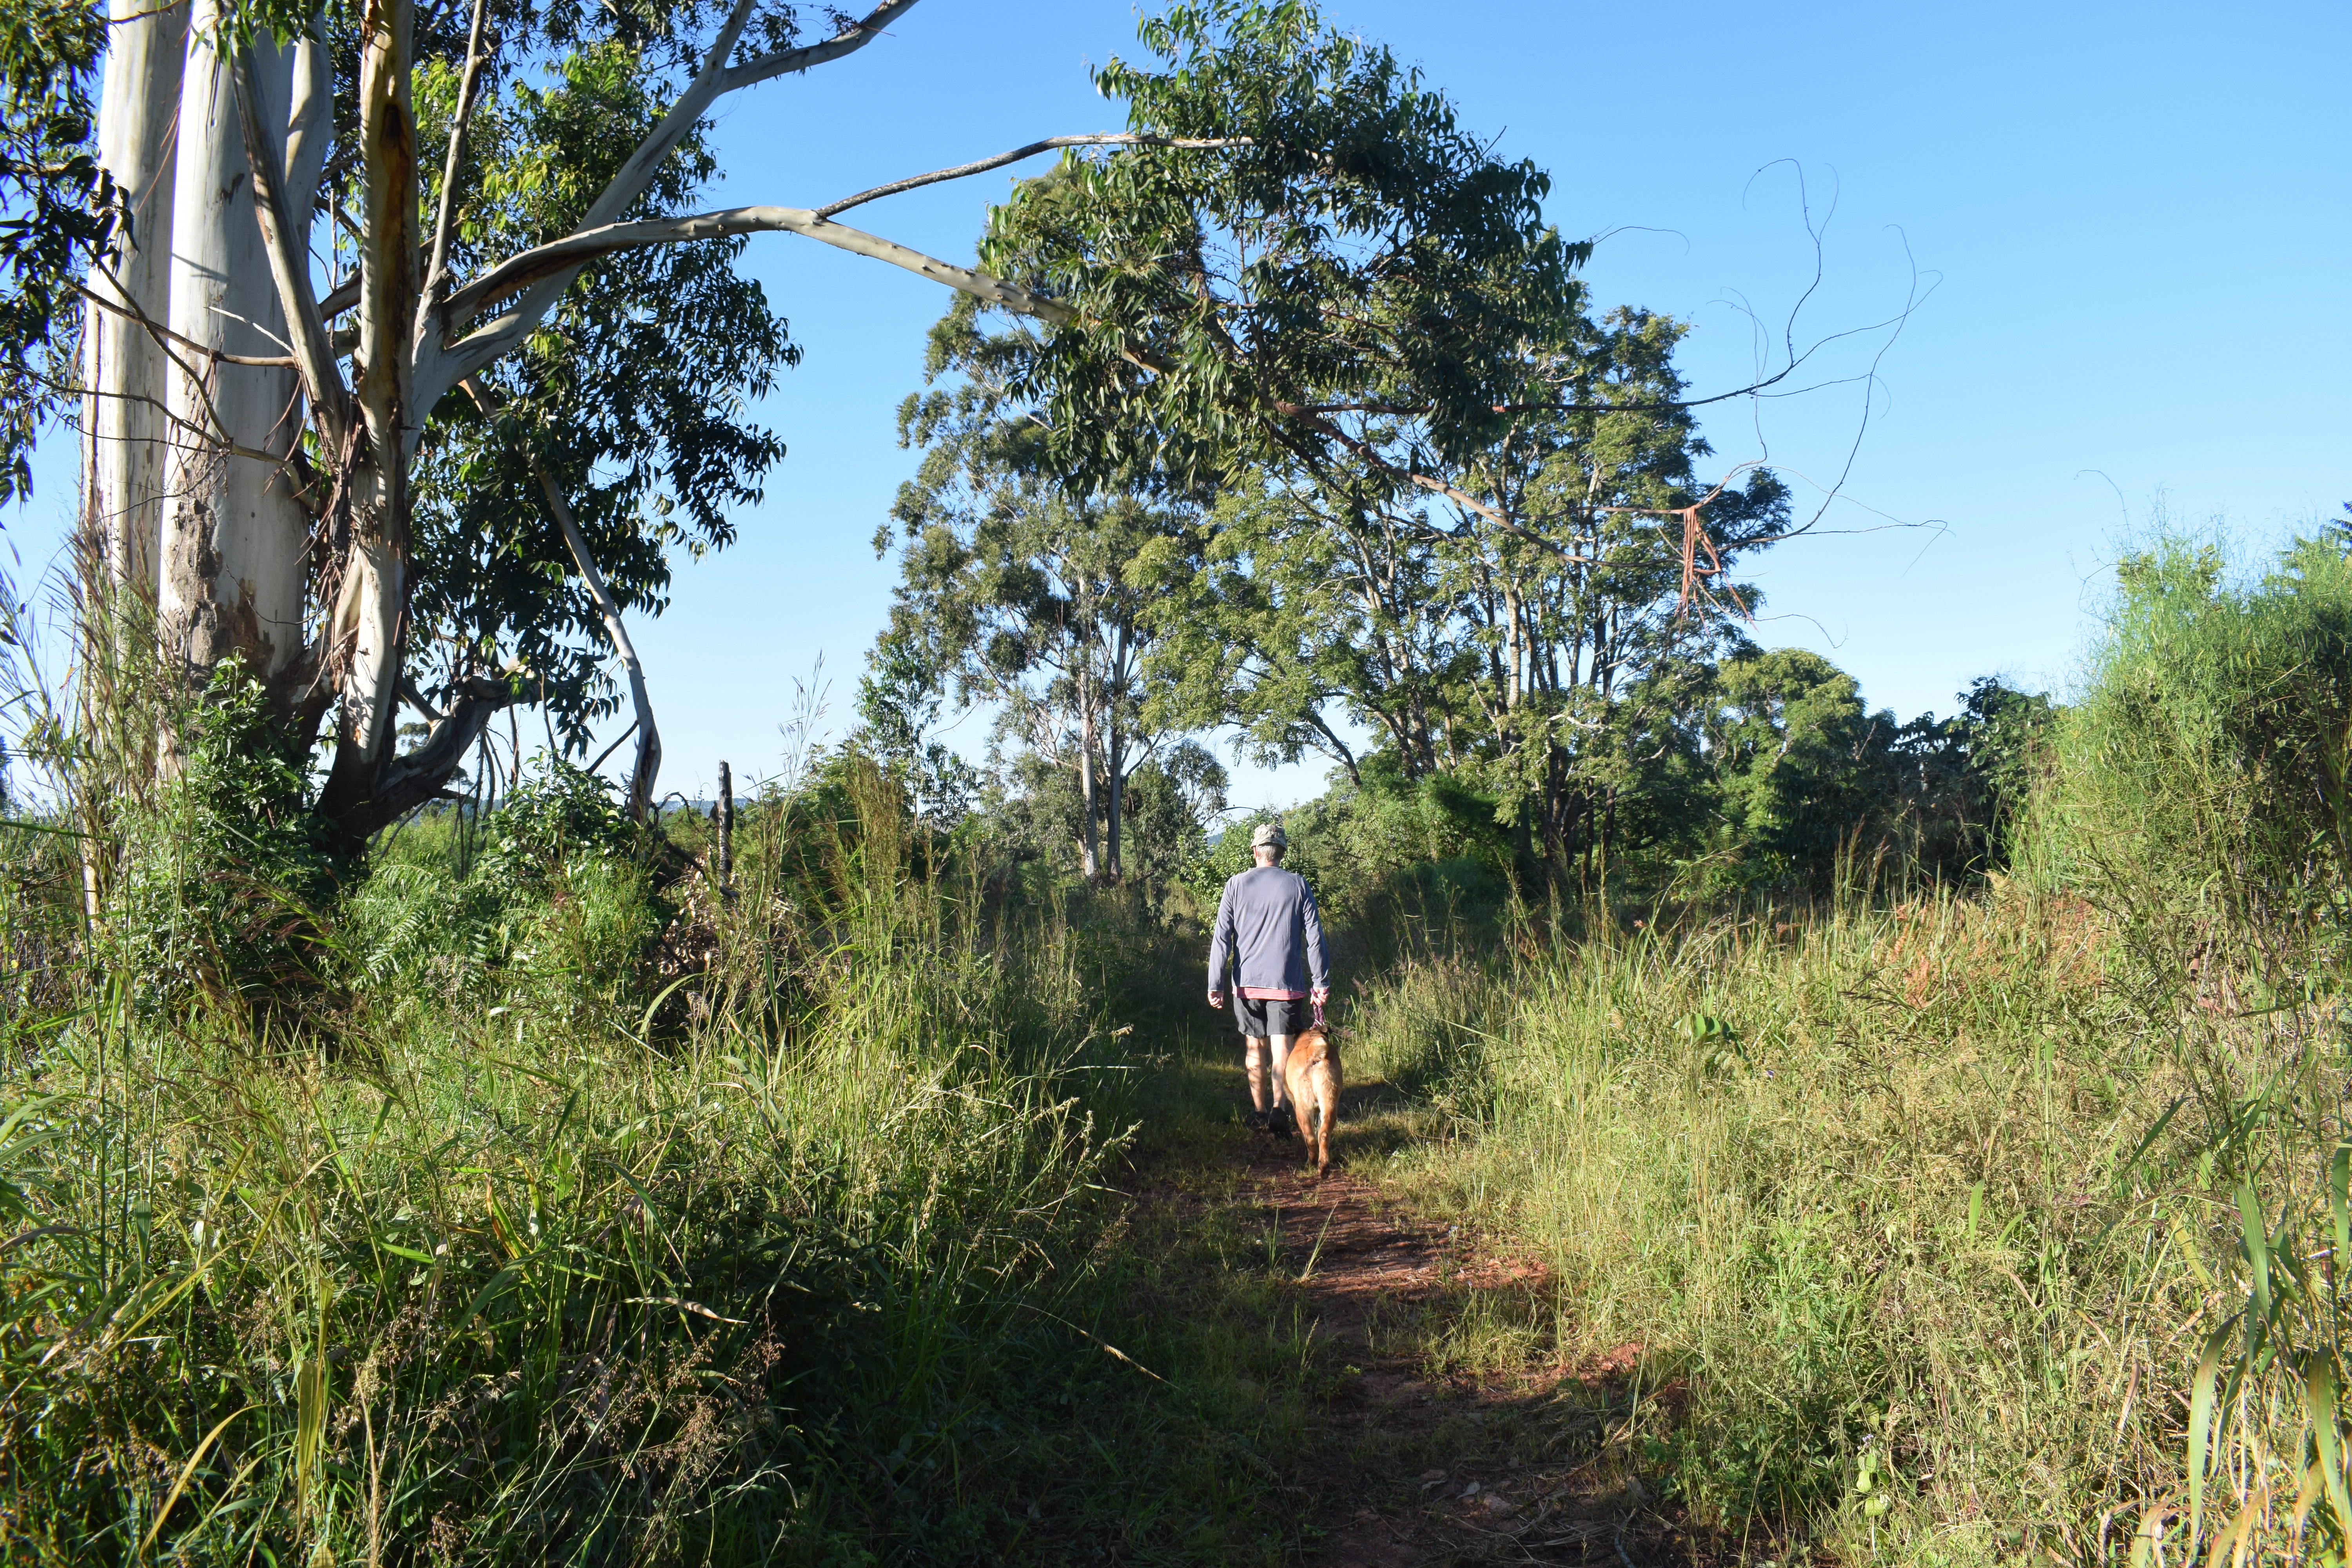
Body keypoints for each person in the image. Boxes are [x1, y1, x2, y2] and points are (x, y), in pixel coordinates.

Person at [1207, 821, 1330, 1136]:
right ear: (1282, 853)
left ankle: (1259, 1113)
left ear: (1255, 852)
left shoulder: (1235, 885)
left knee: (1253, 1047)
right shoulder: (1299, 885)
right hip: (1286, 984)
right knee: (1282, 1048)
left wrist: (1215, 983)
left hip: (1247, 985)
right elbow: (1315, 938)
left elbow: (1221, 938)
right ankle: (1280, 1111)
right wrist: (1321, 982)